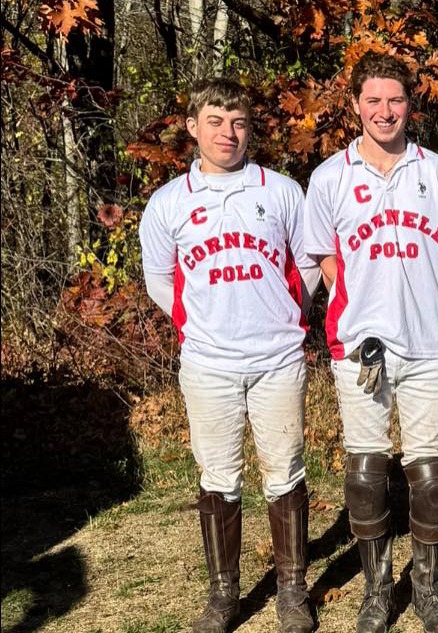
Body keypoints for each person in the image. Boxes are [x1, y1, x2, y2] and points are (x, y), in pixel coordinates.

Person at [139, 78, 320, 633]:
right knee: (218, 474)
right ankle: (223, 595)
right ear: (193, 127)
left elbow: (307, 263)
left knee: (284, 470)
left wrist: (288, 315)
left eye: (238, 123)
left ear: (249, 129)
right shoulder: (169, 202)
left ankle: (292, 590)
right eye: (215, 122)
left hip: (277, 358)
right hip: (209, 362)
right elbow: (159, 278)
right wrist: (197, 323)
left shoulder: (281, 191)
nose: (228, 133)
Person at [302, 51, 438, 633]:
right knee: (366, 471)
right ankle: (377, 590)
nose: (385, 111)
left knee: (430, 473)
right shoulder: (330, 177)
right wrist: (358, 307)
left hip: (426, 344)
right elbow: (322, 257)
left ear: (411, 105)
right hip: (360, 347)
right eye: (373, 100)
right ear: (355, 105)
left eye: (395, 100)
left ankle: (427, 588)